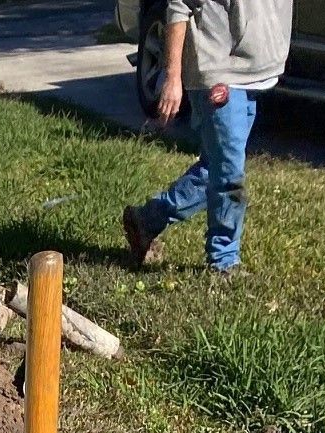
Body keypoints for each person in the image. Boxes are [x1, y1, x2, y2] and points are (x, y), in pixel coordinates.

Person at [122, 0, 292, 275]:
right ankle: (224, 262)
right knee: (228, 173)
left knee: (218, 165)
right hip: (219, 72)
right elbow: (178, 6)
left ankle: (146, 220)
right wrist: (172, 77)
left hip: (257, 73)